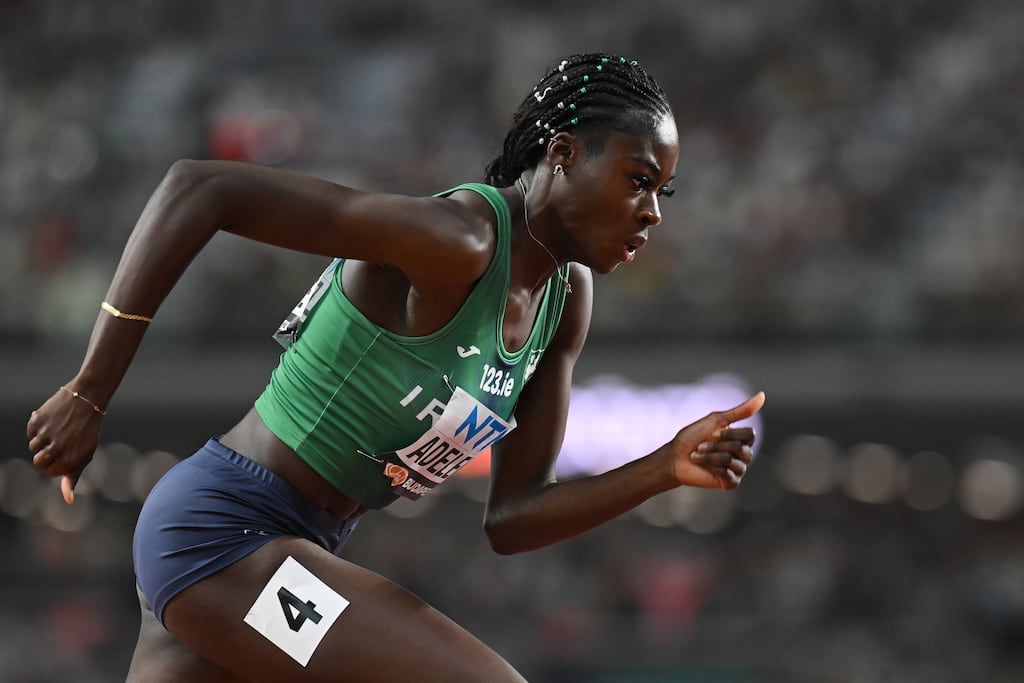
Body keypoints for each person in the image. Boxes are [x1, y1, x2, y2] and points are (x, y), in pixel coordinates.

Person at [26, 53, 764, 682]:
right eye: (639, 179)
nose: (653, 212)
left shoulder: (564, 302)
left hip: (292, 551)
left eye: (662, 191)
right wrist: (89, 391)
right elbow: (201, 188)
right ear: (565, 154)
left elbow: (511, 520)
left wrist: (665, 467)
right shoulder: (458, 242)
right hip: (223, 534)